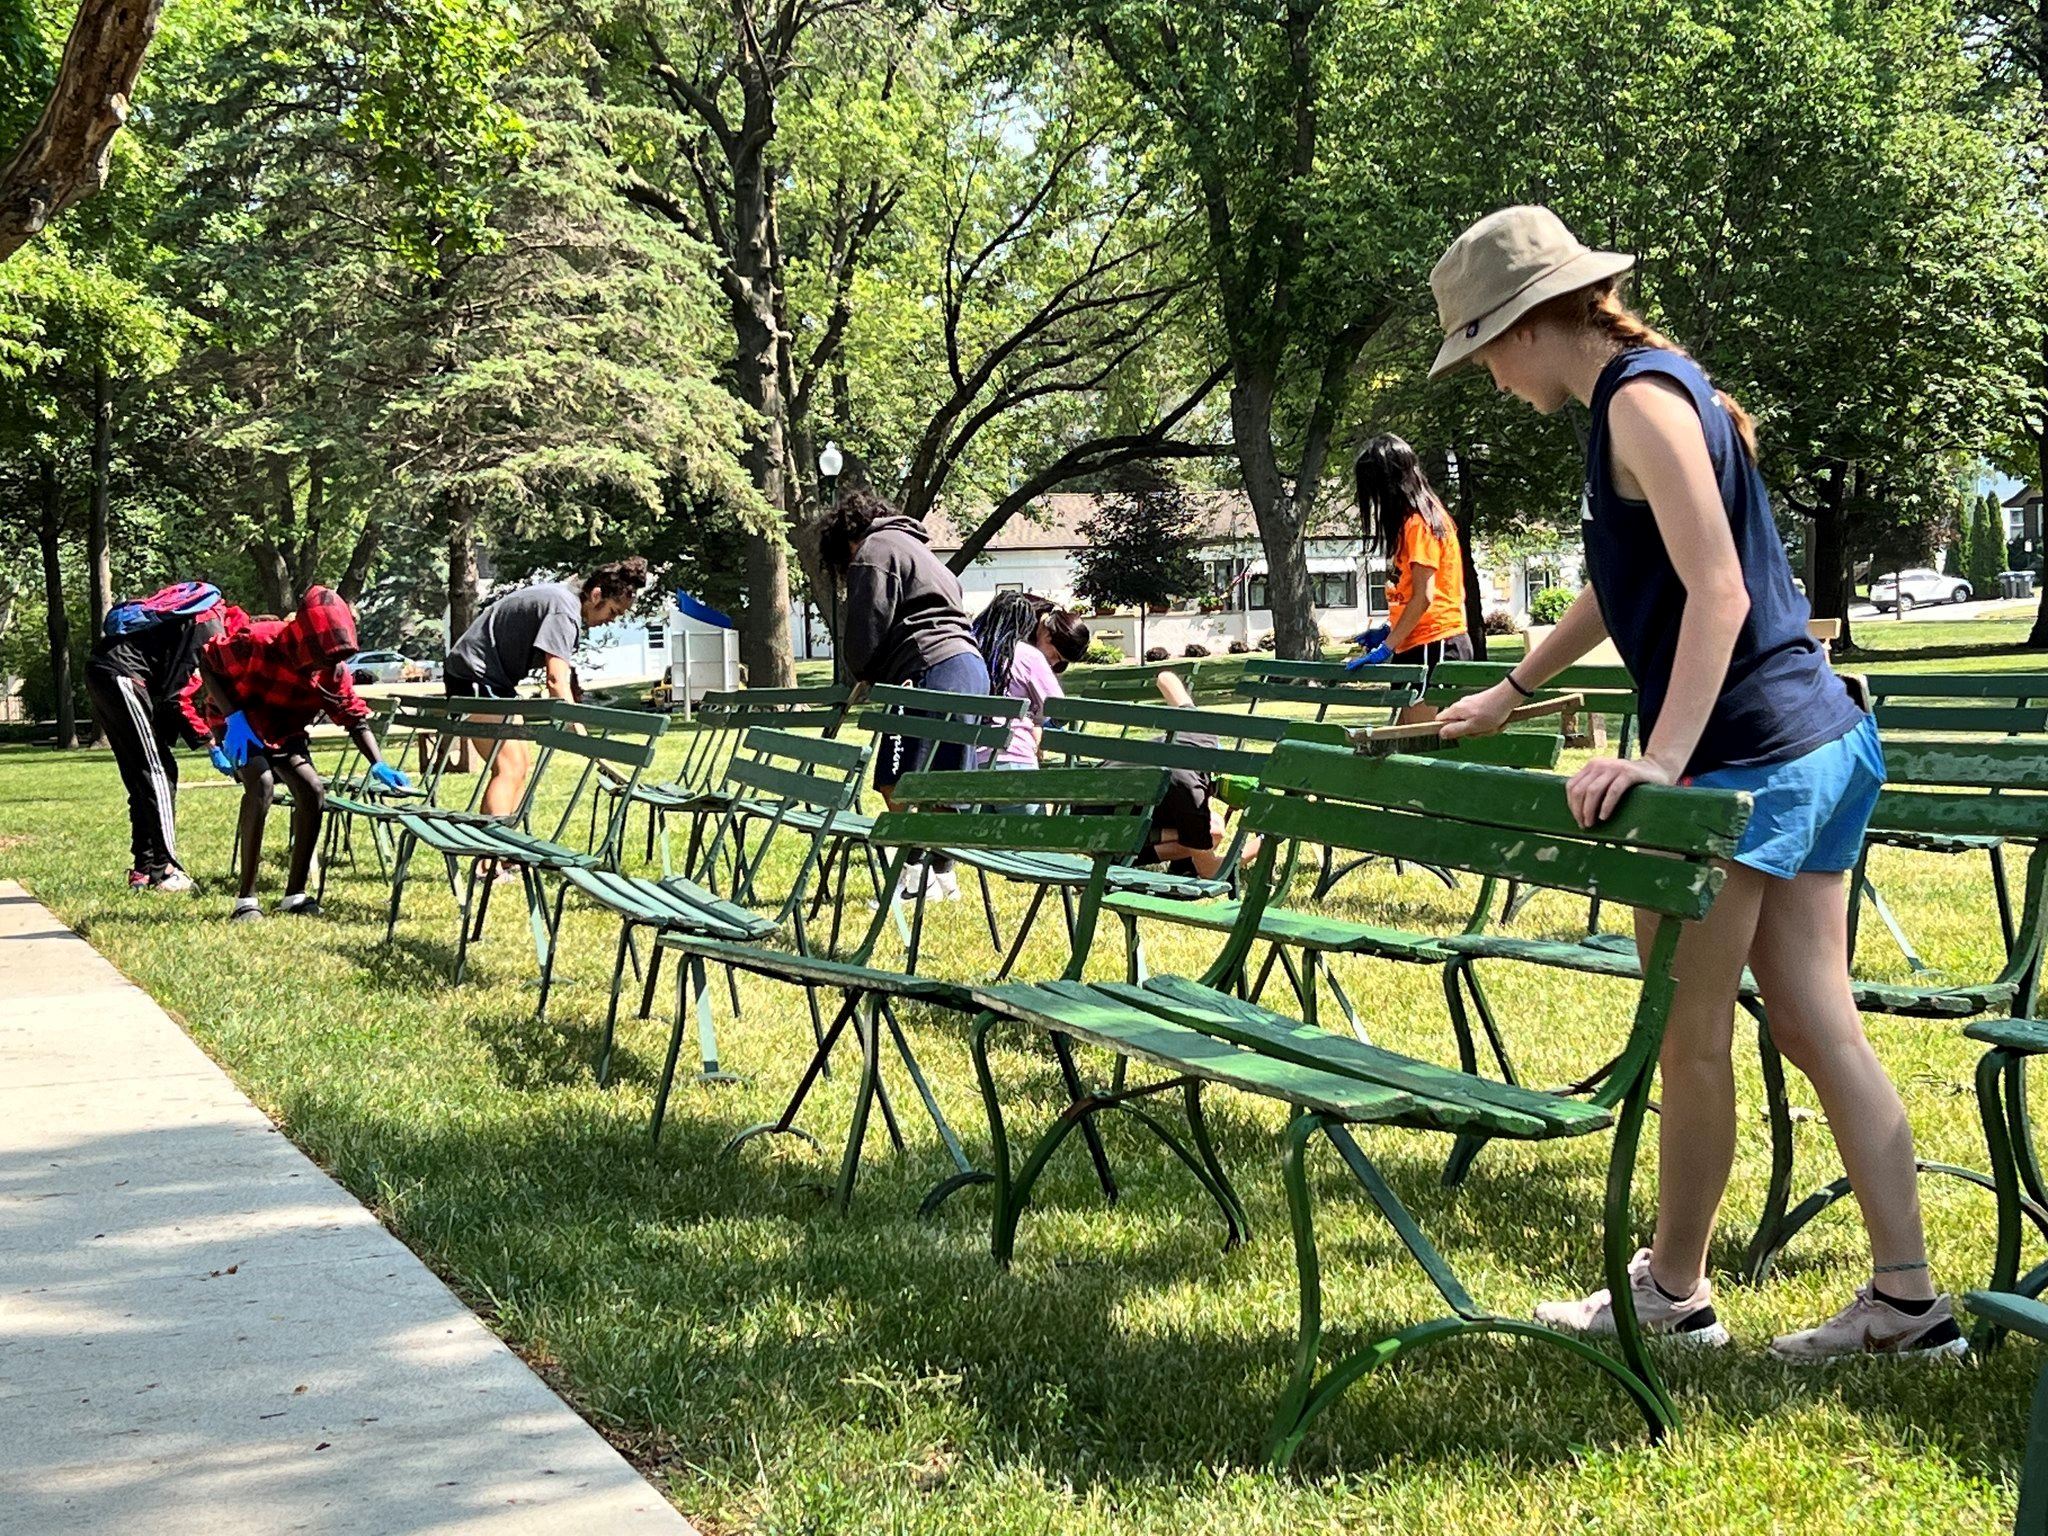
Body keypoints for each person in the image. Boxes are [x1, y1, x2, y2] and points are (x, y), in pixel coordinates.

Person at [1430, 205, 1958, 1360]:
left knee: (1689, 1036)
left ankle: (1671, 1295)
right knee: (1820, 1025)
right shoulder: (1650, 387)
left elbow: (1714, 592)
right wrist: (1510, 691)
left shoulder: (1635, 401)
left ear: (1518, 328)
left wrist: (1658, 763)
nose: (1484, 378)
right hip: (1814, 740)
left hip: (1746, 760)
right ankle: (1909, 1304)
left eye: (1477, 354)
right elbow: (1628, 584)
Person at [197, 586, 409, 922]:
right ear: (304, 639)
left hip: (286, 727)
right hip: (240, 724)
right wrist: (232, 718)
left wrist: (378, 762)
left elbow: (351, 715)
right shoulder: (258, 640)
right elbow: (208, 664)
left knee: (312, 790)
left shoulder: (332, 670)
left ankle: (295, 895)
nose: (329, 664)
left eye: (334, 658)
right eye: (324, 657)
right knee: (262, 782)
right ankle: (245, 900)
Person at [821, 489, 989, 901]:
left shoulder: (874, 550)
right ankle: (943, 874)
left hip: (927, 667)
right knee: (944, 779)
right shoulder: (917, 549)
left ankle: (916, 873)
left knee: (897, 780)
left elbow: (866, 627)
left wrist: (860, 671)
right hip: (969, 667)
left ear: (845, 540)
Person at [443, 559, 646, 822]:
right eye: (613, 611)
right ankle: (489, 858)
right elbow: (555, 681)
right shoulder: (565, 611)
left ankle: (502, 856)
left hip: (493, 682)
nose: (611, 621)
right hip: (474, 678)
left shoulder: (565, 602)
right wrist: (580, 732)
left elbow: (562, 673)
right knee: (509, 768)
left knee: (521, 765)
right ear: (596, 595)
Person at [85, 582, 232, 892]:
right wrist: (211, 743)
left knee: (143, 776)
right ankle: (165, 870)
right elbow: (177, 696)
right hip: (124, 676)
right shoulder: (211, 628)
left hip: (105, 672)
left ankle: (143, 869)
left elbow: (166, 685)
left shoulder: (196, 620)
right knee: (159, 773)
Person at [1348, 434, 1471, 722]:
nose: (1373, 501)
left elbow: (1425, 596)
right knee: (1404, 741)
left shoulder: (1420, 523)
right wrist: (1390, 630)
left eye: (1374, 490)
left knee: (1419, 744)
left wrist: (1387, 646)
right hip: (1414, 643)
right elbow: (1409, 592)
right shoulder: (1407, 525)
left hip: (1436, 643)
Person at [972, 591, 1092, 791]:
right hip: (1015, 757)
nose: (1052, 664)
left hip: (973, 759)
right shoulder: (1028, 655)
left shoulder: (972, 651)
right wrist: (1040, 724)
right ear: (1045, 633)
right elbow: (1059, 709)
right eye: (1054, 655)